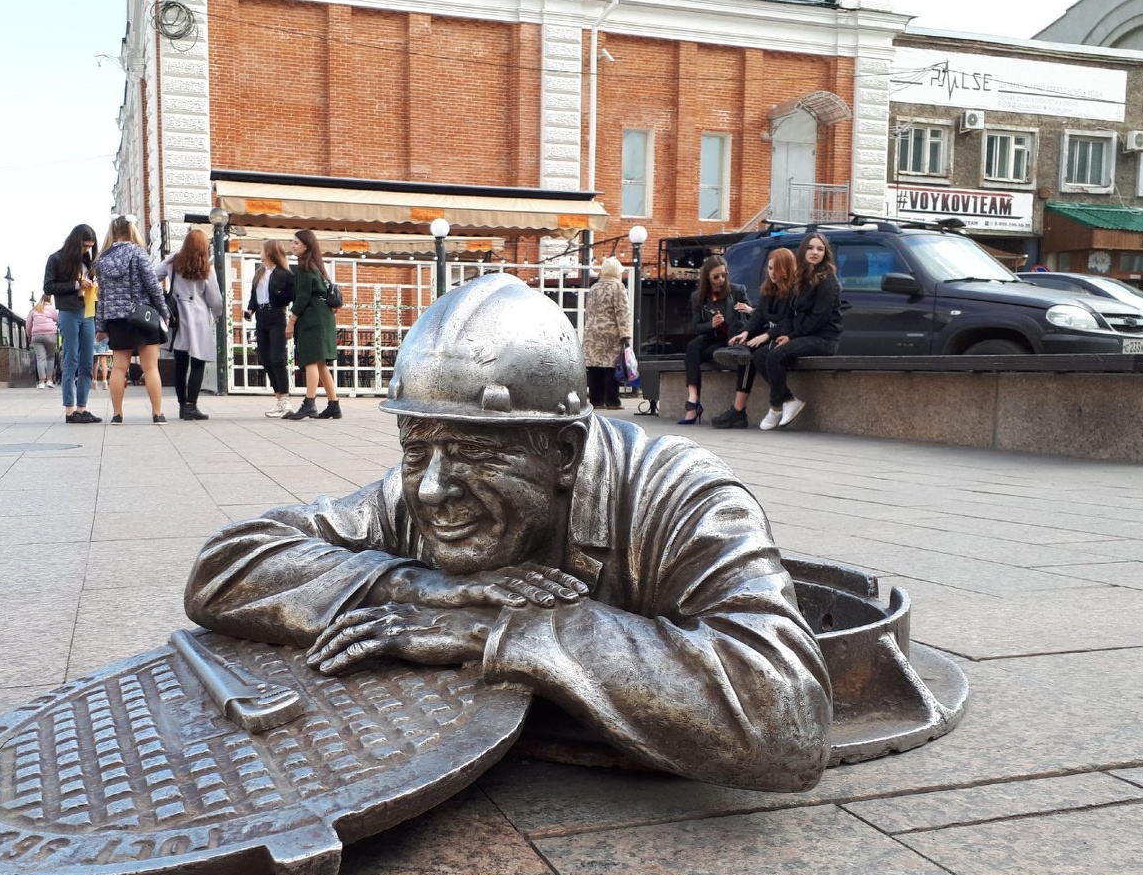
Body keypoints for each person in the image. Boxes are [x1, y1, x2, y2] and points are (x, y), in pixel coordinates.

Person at [184, 273, 831, 793]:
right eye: (416, 450)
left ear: (566, 453)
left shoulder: (681, 494)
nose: (433, 487)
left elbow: (789, 718)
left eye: (476, 452)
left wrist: (503, 631)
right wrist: (425, 587)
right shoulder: (413, 493)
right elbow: (225, 567)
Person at [94, 215, 172, 424]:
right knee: (150, 367)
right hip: (143, 316)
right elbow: (153, 286)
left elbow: (101, 298)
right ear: (131, 230)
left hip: (117, 320)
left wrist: (101, 326)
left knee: (119, 367)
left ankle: (117, 414)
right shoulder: (138, 252)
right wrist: (164, 311)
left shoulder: (101, 261)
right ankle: (157, 413)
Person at [761, 233, 842, 431]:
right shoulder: (799, 278)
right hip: (802, 335)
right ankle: (789, 399)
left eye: (820, 249)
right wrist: (786, 333)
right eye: (811, 248)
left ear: (825, 254)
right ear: (803, 251)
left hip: (823, 338)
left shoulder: (828, 280)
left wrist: (791, 337)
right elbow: (790, 313)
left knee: (775, 356)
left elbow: (819, 318)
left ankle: (775, 407)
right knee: (759, 355)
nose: (815, 252)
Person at [711, 247, 796, 429]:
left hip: (787, 337)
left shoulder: (794, 292)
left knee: (754, 353)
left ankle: (744, 409)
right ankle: (738, 409)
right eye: (770, 268)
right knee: (745, 340)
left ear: (788, 270)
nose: (772, 273)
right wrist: (747, 333)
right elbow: (759, 316)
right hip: (769, 335)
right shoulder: (768, 290)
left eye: (777, 269)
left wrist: (765, 336)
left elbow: (788, 322)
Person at [156, 228, 224, 421]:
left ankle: (181, 405)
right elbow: (215, 299)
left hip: (177, 316)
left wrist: (161, 300)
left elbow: (152, 276)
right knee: (198, 362)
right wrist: (217, 315)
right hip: (198, 317)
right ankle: (191, 406)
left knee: (180, 364)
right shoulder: (206, 269)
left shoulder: (173, 263)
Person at [677, 255, 747, 426]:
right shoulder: (698, 297)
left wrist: (748, 309)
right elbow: (696, 327)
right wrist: (711, 324)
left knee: (705, 351)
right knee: (693, 347)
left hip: (731, 338)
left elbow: (751, 317)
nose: (721, 280)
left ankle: (693, 406)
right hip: (712, 338)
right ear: (707, 277)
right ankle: (693, 399)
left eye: (724, 275)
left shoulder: (737, 291)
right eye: (716, 276)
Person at [44, 224, 101, 424]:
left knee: (87, 361)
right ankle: (69, 410)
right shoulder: (56, 258)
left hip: (88, 311)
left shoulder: (88, 261)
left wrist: (92, 285)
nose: (87, 250)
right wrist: (77, 284)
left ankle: (82, 408)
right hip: (68, 312)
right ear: (76, 242)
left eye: (90, 247)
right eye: (84, 246)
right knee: (70, 361)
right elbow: (49, 286)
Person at [282, 229, 341, 421]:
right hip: (323, 317)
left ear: (306, 245)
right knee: (321, 364)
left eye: (296, 243)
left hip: (312, 318)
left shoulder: (305, 267)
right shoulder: (317, 266)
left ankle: (309, 404)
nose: (293, 246)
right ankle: (334, 405)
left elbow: (302, 297)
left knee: (310, 361)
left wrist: (291, 322)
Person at [244, 239, 295, 417]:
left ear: (270, 252)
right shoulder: (259, 273)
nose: (261, 253)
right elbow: (254, 296)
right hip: (261, 318)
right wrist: (250, 309)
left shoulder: (284, 274)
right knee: (265, 358)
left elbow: (291, 296)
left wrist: (291, 318)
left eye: (263, 250)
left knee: (277, 358)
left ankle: (286, 400)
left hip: (276, 316)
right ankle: (279, 398)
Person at [580, 256, 631, 410]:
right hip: (611, 332)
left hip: (592, 332)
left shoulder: (594, 288)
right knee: (611, 367)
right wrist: (626, 335)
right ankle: (613, 401)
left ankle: (597, 401)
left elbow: (588, 311)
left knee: (595, 367)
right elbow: (622, 312)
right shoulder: (618, 287)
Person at [25, 295, 59, 390]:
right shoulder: (51, 309)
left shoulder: (34, 309)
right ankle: (49, 381)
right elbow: (59, 320)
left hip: (36, 336)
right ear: (49, 300)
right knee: (50, 358)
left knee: (40, 359)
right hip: (50, 335)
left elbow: (28, 324)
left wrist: (29, 335)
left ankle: (41, 382)